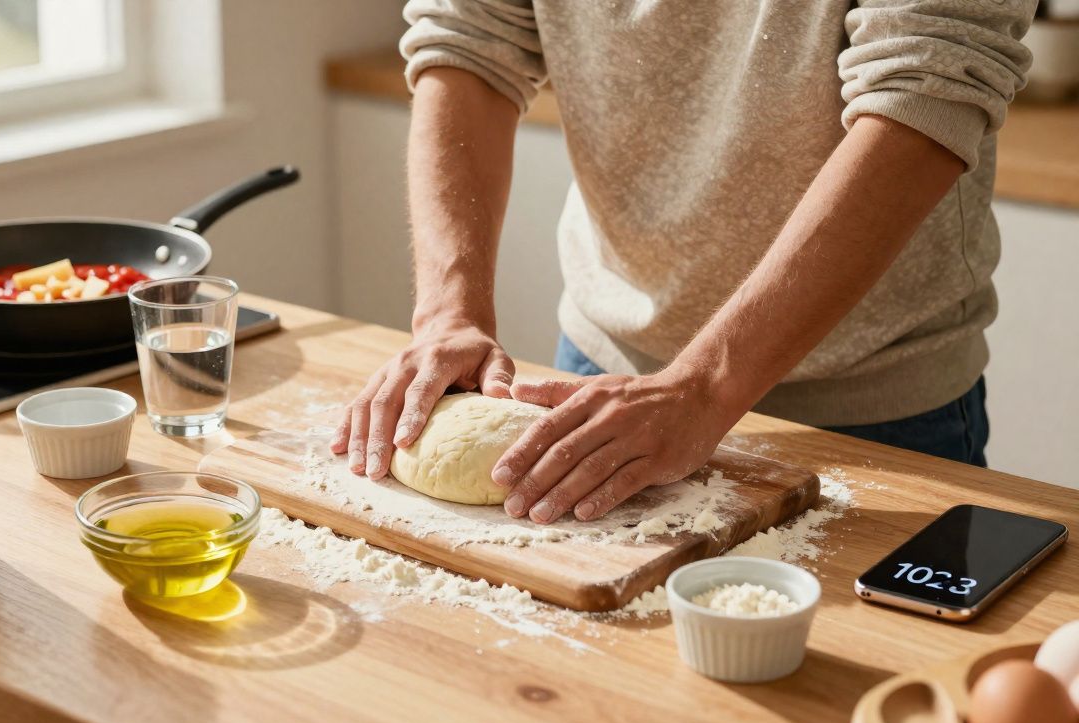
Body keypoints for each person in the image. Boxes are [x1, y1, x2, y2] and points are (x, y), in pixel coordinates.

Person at [332, 1, 1033, 525]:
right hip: (597, 375)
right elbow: (470, 38)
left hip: (871, 403)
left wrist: (706, 387)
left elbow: (928, 85)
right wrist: (446, 312)